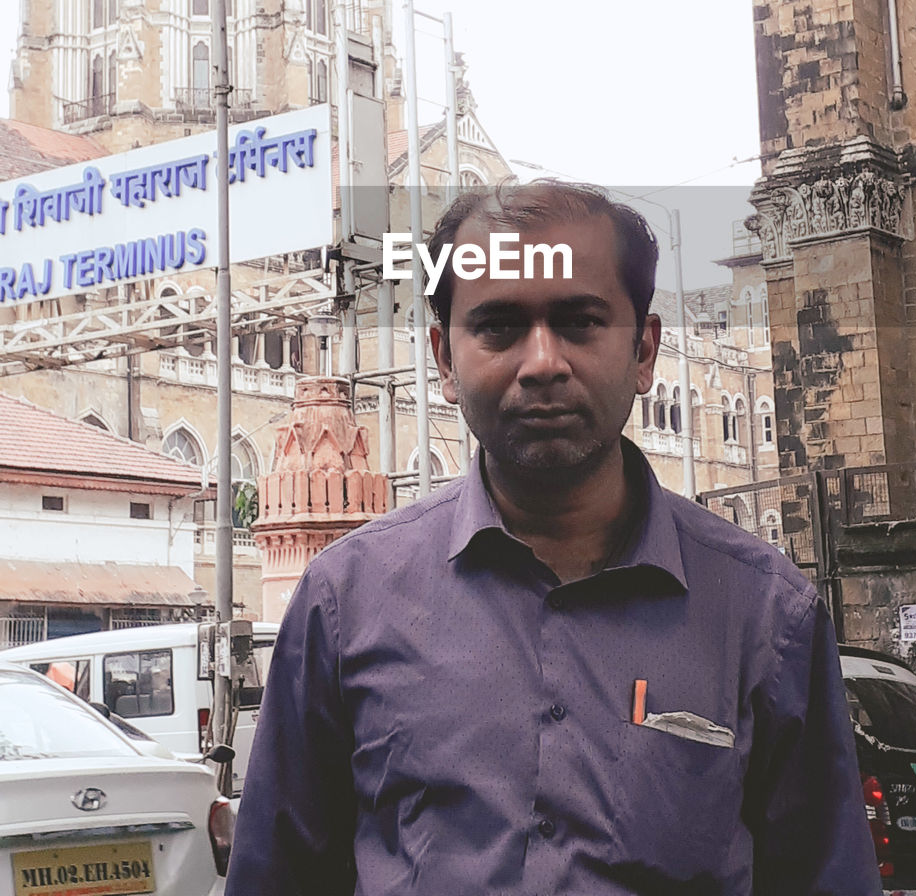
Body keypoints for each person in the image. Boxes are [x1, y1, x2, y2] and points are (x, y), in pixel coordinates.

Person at [226, 182, 881, 896]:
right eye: (500, 327)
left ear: (644, 350)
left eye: (579, 323)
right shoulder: (344, 604)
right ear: (444, 358)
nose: (542, 362)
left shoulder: (766, 617)